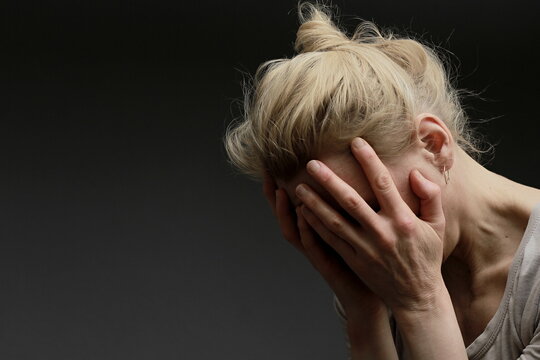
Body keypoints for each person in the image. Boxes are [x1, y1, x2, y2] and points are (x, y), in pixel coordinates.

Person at [223, 1, 540, 359]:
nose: (361, 244)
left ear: (433, 144)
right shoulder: (378, 270)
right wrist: (363, 310)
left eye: (366, 207)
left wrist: (421, 301)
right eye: (326, 223)